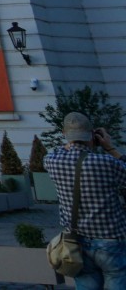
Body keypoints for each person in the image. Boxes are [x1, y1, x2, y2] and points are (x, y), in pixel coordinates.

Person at [46, 112, 126, 289]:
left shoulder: (52, 161)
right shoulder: (106, 162)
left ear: (64, 134)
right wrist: (110, 148)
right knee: (117, 277)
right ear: (92, 135)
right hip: (110, 239)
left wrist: (73, 141)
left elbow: (63, 149)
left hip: (75, 242)